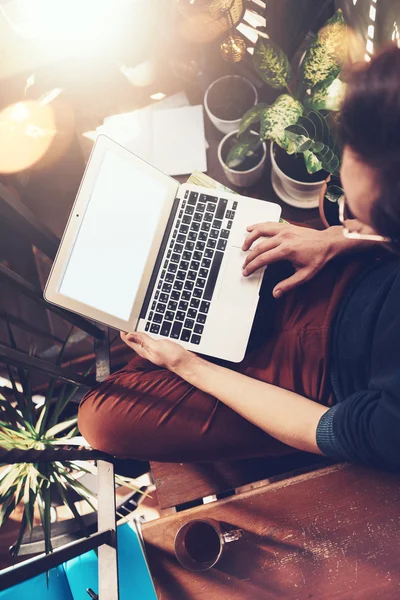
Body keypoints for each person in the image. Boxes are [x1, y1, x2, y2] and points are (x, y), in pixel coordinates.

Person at [78, 45, 400, 472]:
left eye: (358, 216)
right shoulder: (357, 233)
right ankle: (184, 311)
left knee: (100, 419)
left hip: (323, 380)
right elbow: (361, 233)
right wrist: (334, 240)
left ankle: (184, 321)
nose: (350, 224)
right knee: (204, 252)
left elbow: (317, 428)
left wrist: (191, 367)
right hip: (342, 277)